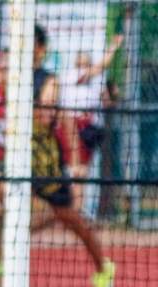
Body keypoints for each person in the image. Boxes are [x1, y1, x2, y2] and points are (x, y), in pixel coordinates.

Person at [0, 67, 117, 287]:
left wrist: (76, 167)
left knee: (73, 222)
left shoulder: (46, 104)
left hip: (50, 175)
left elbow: (69, 127)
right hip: (19, 171)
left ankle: (103, 268)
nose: (50, 108)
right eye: (47, 101)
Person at [58, 31, 125, 217]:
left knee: (82, 172)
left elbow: (108, 101)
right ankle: (75, 212)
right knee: (76, 171)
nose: (85, 64)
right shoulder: (71, 76)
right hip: (72, 126)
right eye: (82, 61)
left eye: (87, 61)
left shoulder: (93, 83)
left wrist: (114, 94)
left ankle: (77, 212)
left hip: (88, 129)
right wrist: (113, 48)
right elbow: (100, 67)